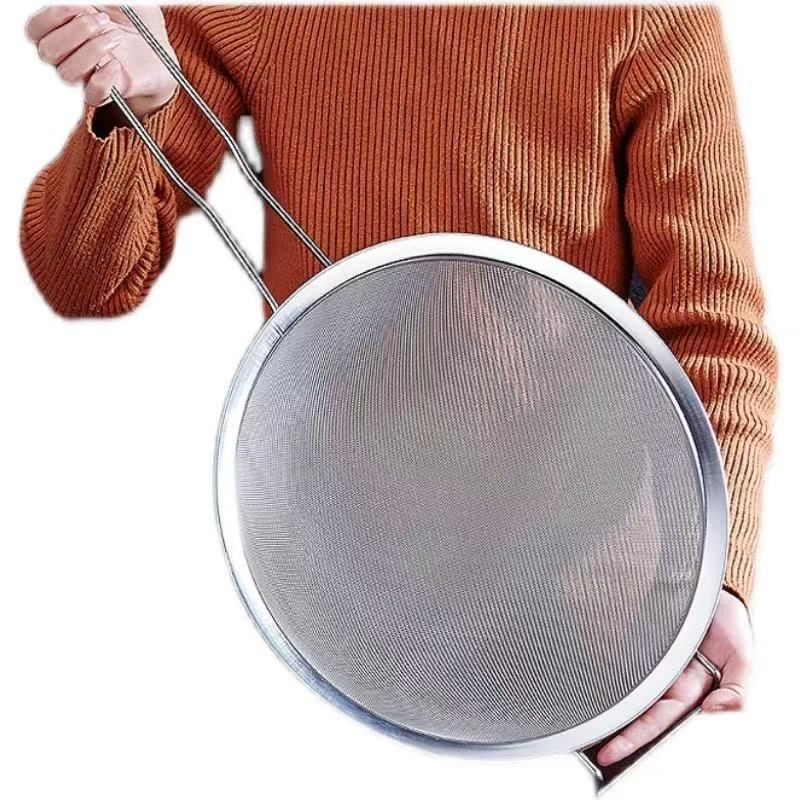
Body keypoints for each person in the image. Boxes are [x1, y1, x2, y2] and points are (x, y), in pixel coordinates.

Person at [21, 4, 776, 767]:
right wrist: (125, 107)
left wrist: (713, 578)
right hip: (332, 613)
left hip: (588, 629)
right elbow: (88, 279)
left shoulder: (649, 13)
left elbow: (711, 323)